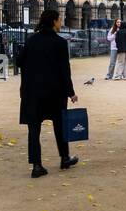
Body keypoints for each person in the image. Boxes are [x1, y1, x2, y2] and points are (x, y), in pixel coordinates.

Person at [16, 9, 79, 178]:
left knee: (34, 129)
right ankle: (64, 158)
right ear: (53, 22)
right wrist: (71, 92)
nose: (61, 23)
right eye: (59, 20)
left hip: (32, 92)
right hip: (54, 92)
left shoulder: (31, 41)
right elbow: (65, 71)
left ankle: (37, 165)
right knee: (60, 125)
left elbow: (19, 61)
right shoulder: (59, 43)